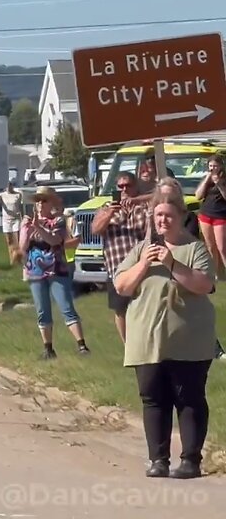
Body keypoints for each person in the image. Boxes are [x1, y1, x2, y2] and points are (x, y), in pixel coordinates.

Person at [113, 194, 217, 479]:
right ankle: (158, 460)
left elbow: (204, 284)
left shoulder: (194, 249)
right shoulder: (142, 250)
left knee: (189, 399)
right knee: (153, 399)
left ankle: (190, 461)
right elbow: (121, 286)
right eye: (158, 215)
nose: (162, 220)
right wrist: (144, 265)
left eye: (168, 215)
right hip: (148, 341)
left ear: (182, 216)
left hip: (188, 341)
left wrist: (172, 264)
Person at [21, 186, 89, 359]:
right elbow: (23, 248)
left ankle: (82, 346)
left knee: (66, 306)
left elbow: (55, 240)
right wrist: (27, 231)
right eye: (37, 201)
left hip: (56, 269)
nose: (40, 204)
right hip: (35, 271)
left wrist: (39, 227)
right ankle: (48, 348)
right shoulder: (27, 222)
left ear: (51, 202)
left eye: (44, 200)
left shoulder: (58, 221)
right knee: (42, 310)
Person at [93, 170, 148, 343]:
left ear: (136, 186)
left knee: (144, 306)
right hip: (117, 267)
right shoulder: (105, 208)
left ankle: (145, 342)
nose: (124, 189)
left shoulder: (145, 206)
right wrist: (109, 214)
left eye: (128, 185)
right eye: (120, 186)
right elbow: (95, 230)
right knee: (120, 309)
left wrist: (136, 201)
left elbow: (163, 195)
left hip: (142, 266)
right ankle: (128, 347)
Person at [194, 152, 226, 274]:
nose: (213, 168)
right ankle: (215, 273)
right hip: (206, 215)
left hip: (221, 216)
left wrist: (219, 184)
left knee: (222, 248)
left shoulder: (224, 178)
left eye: (215, 166)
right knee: (210, 246)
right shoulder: (206, 179)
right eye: (211, 166)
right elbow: (198, 196)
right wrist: (207, 179)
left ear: (221, 166)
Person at [0, 182, 24, 264]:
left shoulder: (18, 194)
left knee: (17, 239)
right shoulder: (2, 195)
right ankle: (12, 258)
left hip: (16, 219)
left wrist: (22, 218)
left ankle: (19, 258)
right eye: (7, 186)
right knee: (9, 240)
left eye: (10, 186)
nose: (8, 187)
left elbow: (20, 207)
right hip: (6, 220)